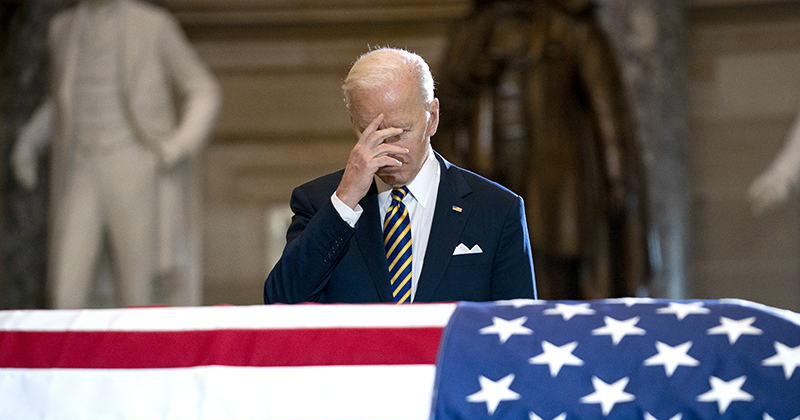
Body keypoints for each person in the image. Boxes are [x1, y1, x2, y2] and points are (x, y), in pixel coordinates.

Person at [263, 47, 537, 304]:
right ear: (353, 123)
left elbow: (520, 328)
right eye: (371, 132)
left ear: (432, 117)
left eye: (401, 132)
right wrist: (344, 201)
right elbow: (281, 301)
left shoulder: (497, 209)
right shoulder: (319, 202)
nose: (388, 151)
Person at [434, 0, 650, 300]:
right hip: (486, 171)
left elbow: (607, 109)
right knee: (491, 266)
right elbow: (439, 101)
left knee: (552, 270)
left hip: (554, 175)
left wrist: (616, 175)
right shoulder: (475, 30)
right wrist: (475, 71)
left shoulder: (572, 28)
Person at [12, 0, 221, 308]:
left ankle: (139, 355)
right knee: (65, 288)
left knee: (137, 286)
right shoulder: (63, 28)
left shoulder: (153, 25)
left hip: (134, 162)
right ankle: (68, 356)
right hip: (80, 167)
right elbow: (62, 102)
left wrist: (178, 145)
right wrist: (29, 141)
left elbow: (203, 89)